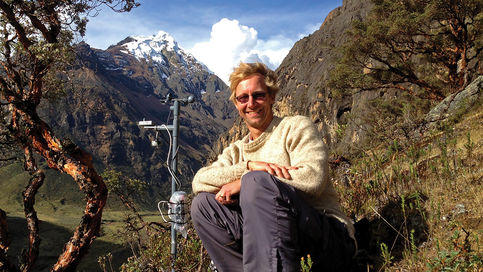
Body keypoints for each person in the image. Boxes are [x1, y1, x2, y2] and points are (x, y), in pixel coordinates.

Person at [190, 62, 356, 272]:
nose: (251, 103)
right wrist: (248, 167)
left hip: (326, 238)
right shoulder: (236, 151)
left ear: (271, 97)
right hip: (267, 244)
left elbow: (312, 179)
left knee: (256, 182)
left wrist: (248, 180)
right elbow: (199, 181)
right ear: (236, 104)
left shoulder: (295, 127)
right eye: (243, 98)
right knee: (203, 205)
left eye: (258, 95)